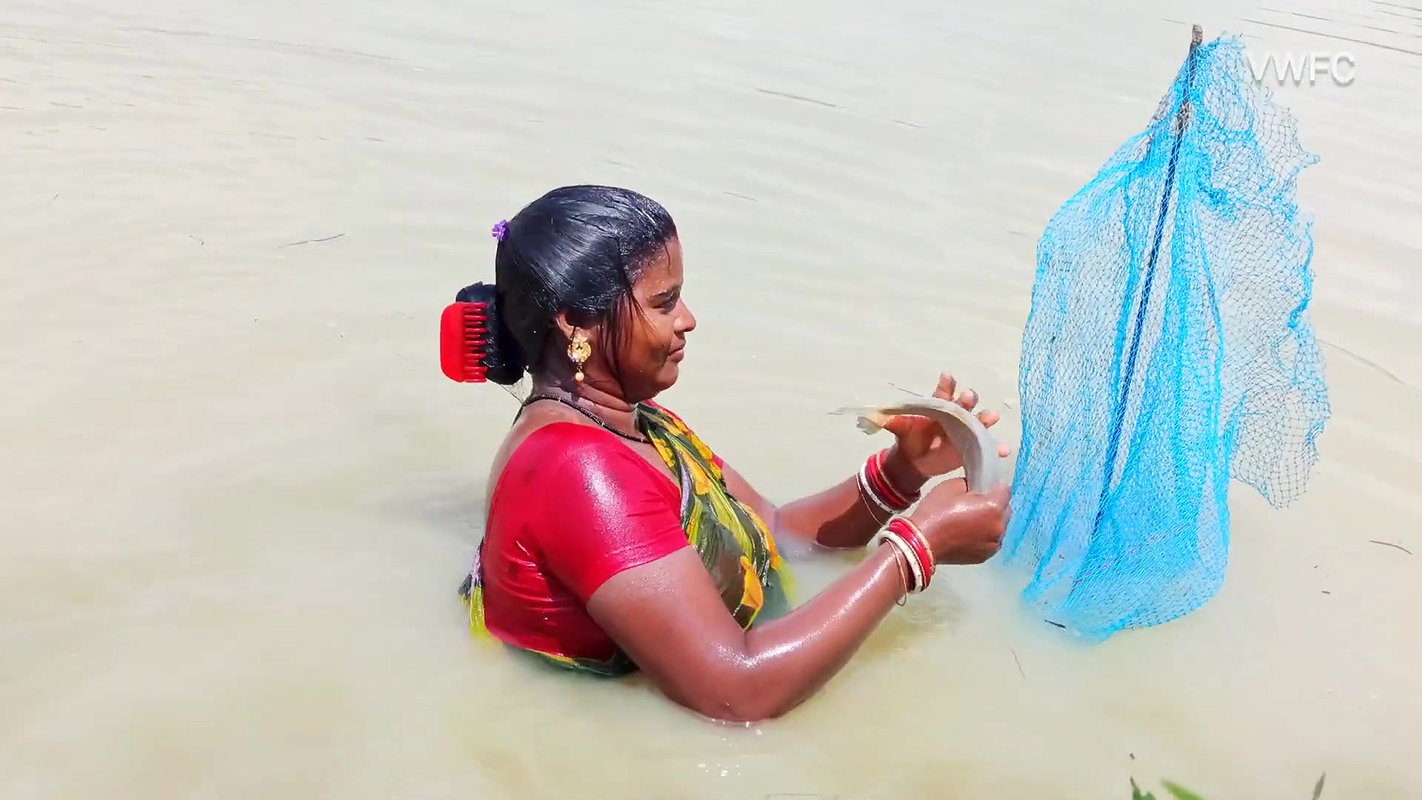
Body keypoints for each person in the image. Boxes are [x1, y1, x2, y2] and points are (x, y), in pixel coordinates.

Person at [451, 184, 1013, 723]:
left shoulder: (639, 423)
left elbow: (775, 532)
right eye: (664, 303)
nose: (688, 319)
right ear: (575, 322)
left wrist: (901, 474)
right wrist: (915, 550)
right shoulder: (576, 469)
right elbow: (734, 695)